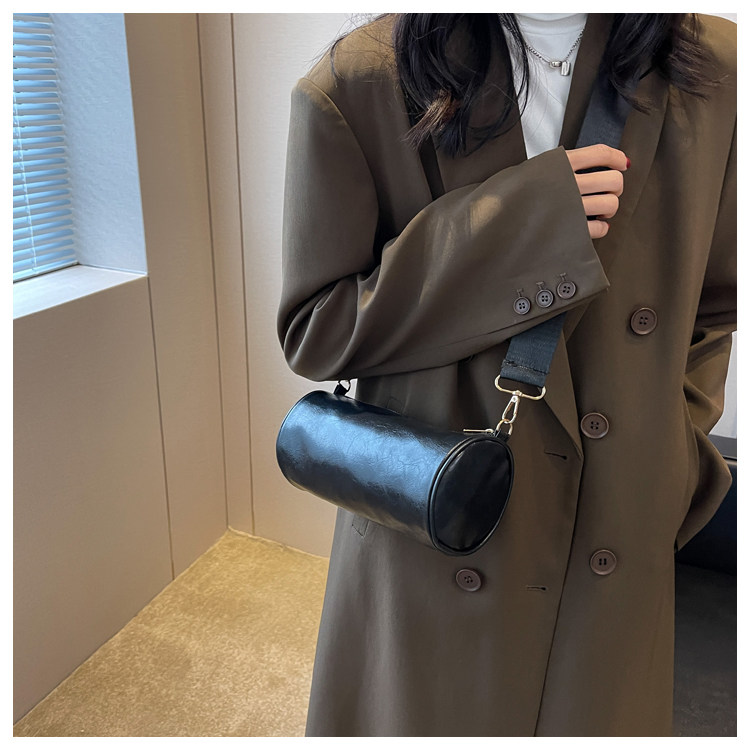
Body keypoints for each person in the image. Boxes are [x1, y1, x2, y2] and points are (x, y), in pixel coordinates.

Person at [276, 12, 736, 737]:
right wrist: (520, 224)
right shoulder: (359, 84)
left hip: (617, 524)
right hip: (444, 516)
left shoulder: (712, 67)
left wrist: (676, 449)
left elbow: (714, 303)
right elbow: (316, 328)